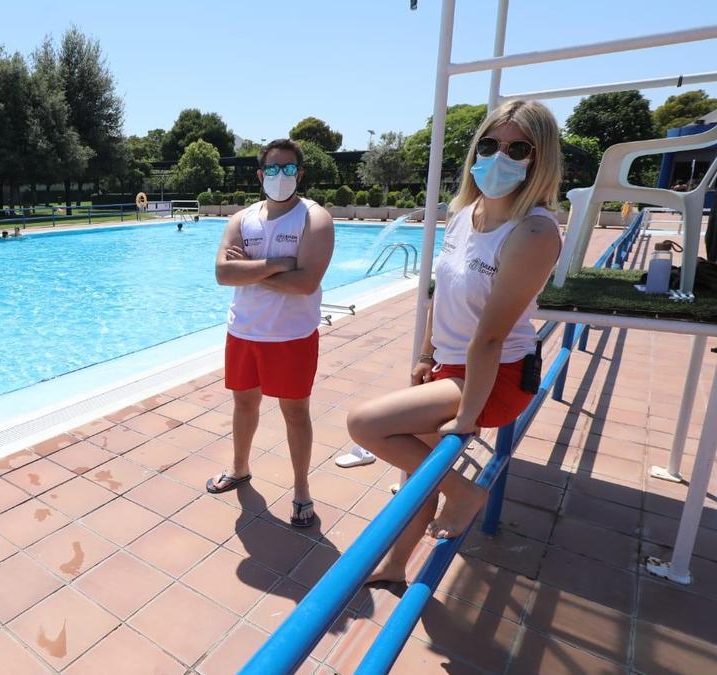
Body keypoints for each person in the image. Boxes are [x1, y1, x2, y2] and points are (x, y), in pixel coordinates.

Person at [346, 100, 563, 584]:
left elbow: (489, 336)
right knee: (416, 476)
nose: (499, 156)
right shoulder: (465, 213)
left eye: (517, 148)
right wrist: (426, 353)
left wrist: (466, 421)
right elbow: (440, 290)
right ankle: (398, 567)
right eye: (490, 144)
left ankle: (464, 493)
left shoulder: (533, 231)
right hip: (451, 368)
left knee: (364, 423)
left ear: (539, 157)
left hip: (497, 375)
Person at [208, 138, 335, 529]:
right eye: (274, 169)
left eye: (289, 169)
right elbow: (223, 274)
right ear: (261, 174)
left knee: (295, 413)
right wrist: (280, 264)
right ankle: (240, 468)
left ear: (300, 173)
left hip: (291, 336)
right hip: (244, 332)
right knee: (243, 405)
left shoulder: (315, 219)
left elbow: (306, 283)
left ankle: (301, 490)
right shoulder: (241, 219)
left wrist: (254, 268)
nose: (281, 176)